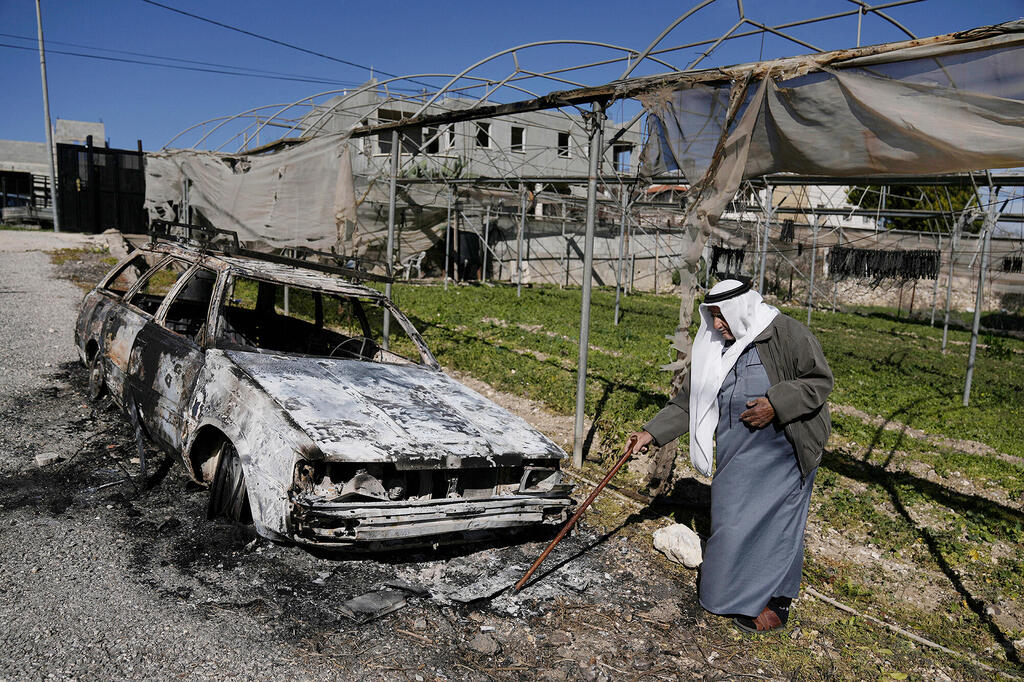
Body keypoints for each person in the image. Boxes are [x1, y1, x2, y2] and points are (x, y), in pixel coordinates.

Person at [624, 278, 833, 632]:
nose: (717, 324)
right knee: (732, 522)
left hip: (782, 450)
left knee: (779, 527)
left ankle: (776, 603)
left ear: (741, 309)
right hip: (738, 453)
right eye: (712, 316)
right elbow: (688, 403)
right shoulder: (712, 347)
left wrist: (775, 403)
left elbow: (818, 381)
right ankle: (729, 593)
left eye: (722, 316)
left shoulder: (784, 333)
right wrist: (650, 433)